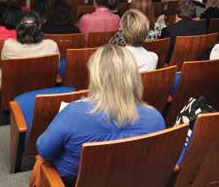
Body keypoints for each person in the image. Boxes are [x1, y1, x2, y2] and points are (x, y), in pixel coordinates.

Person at [36, 44, 165, 186]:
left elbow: (44, 150)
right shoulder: (156, 119)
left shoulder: (72, 114)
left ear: (96, 77)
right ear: (134, 76)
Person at [0, 11, 59, 82]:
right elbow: (56, 68)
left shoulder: (8, 45)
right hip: (43, 88)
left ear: (19, 27)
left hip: (15, 89)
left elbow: (5, 70)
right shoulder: (52, 45)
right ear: (39, 26)